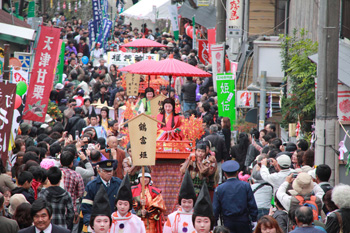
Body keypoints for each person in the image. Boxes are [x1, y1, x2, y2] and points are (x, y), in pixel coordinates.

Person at [213, 160, 258, 233]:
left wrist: (214, 223)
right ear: (237, 173)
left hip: (227, 222)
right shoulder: (245, 186)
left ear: (225, 174)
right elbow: (252, 204)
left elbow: (215, 208)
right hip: (244, 221)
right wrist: (254, 219)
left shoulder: (219, 189)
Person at [81, 160, 122, 232]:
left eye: (110, 171)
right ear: (99, 171)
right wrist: (90, 223)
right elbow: (86, 208)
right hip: (98, 225)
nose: (109, 173)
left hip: (115, 224)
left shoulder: (118, 183)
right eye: (106, 171)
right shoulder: (92, 186)